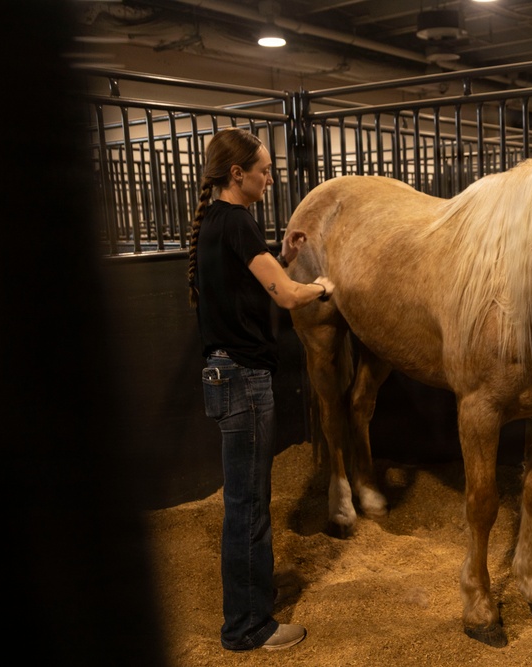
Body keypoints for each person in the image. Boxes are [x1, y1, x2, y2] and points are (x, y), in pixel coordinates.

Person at [186, 127, 334, 651]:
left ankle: (248, 610)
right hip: (244, 379)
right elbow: (290, 297)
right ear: (237, 174)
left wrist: (285, 254)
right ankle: (248, 627)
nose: (270, 178)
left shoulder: (218, 224)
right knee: (249, 505)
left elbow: (258, 285)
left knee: (244, 501)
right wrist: (326, 285)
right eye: (265, 170)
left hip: (225, 375)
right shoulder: (238, 224)